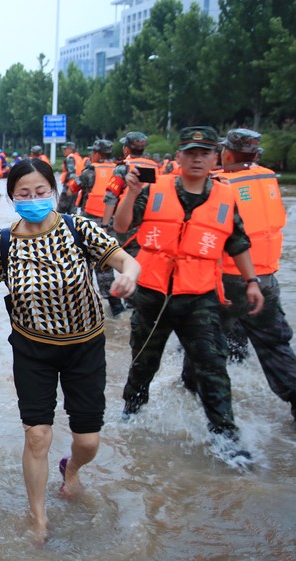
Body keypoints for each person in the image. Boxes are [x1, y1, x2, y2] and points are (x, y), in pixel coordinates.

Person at [0, 158, 140, 542]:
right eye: (24, 194)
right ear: (13, 197)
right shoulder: (3, 241)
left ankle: (73, 470)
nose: (33, 199)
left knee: (88, 441)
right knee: (37, 435)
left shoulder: (76, 228)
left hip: (85, 347)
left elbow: (124, 259)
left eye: (40, 192)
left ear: (52, 191)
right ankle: (38, 518)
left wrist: (128, 276)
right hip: (33, 350)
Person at [114, 126, 264, 463]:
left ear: (216, 158)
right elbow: (122, 227)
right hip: (153, 293)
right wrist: (129, 193)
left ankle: (225, 437)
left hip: (200, 296)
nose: (197, 158)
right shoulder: (153, 189)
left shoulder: (226, 196)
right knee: (143, 361)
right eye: (191, 152)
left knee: (212, 365)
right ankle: (131, 413)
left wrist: (252, 281)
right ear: (178, 157)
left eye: (205, 153)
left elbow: (237, 242)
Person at [181, 128, 296, 428]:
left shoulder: (219, 185)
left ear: (226, 154)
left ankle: (194, 396)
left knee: (200, 340)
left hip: (225, 281)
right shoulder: (268, 177)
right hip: (265, 279)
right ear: (256, 155)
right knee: (274, 345)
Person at [71, 139, 124, 316]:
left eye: (93, 152)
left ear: (98, 154)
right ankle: (116, 306)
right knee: (107, 262)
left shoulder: (90, 172)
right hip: (112, 223)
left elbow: (72, 188)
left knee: (83, 262)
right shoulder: (120, 170)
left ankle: (85, 305)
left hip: (90, 222)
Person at [57, 142, 84, 213]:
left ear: (71, 149)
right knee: (72, 210)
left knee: (61, 210)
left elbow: (72, 174)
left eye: (65, 149)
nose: (64, 150)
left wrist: (69, 188)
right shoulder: (78, 157)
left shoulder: (70, 158)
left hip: (69, 187)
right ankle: (72, 223)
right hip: (76, 186)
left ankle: (59, 223)